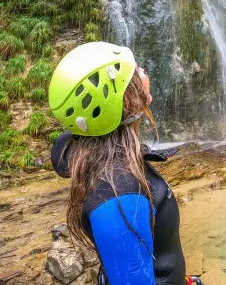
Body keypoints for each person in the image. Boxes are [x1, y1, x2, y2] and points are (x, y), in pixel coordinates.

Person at [48, 42, 199, 285]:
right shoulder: (118, 191)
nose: (141, 69)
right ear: (125, 99)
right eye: (135, 70)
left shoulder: (108, 161)